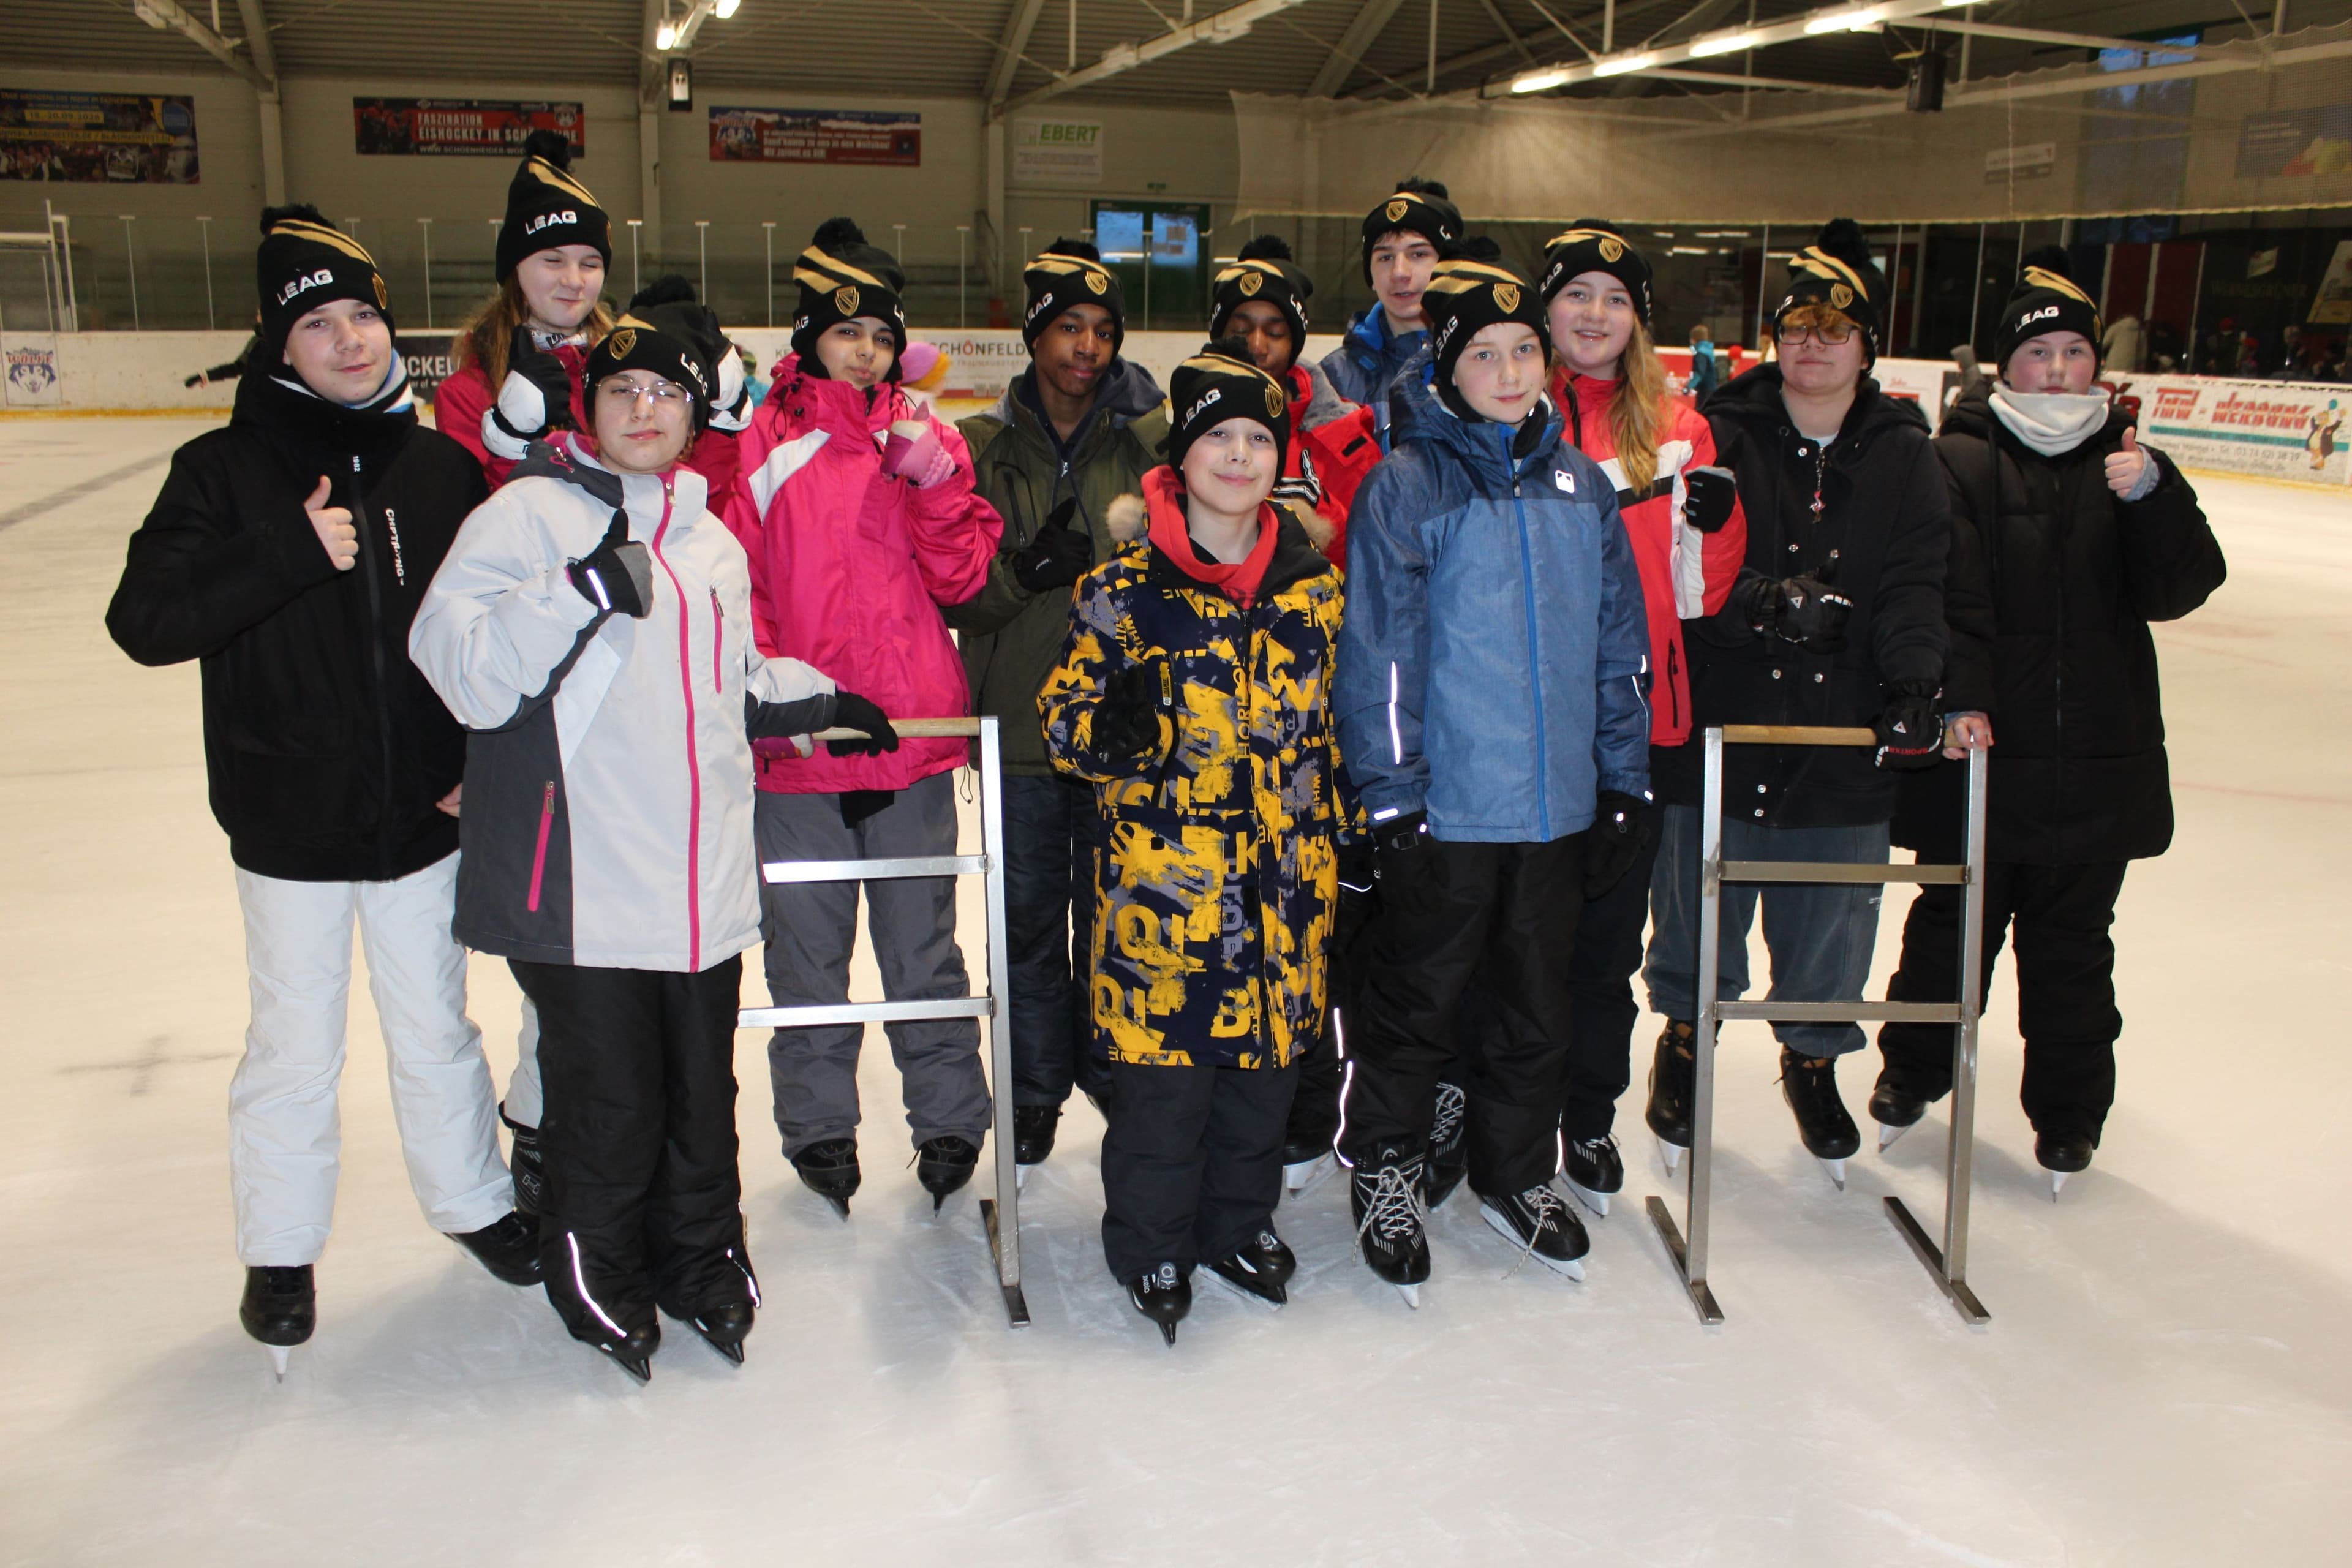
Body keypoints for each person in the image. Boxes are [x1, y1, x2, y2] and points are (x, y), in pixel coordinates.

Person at [410, 295, 880, 1381]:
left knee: (698, 1095)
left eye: (666, 391)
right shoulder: (529, 518)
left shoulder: (707, 537)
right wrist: (573, 593)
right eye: (623, 389)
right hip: (581, 879)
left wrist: (823, 699)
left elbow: (728, 683)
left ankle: (702, 1261)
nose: (645, 409)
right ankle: (600, 1274)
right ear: (591, 404)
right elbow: (457, 666)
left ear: (691, 412)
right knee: (612, 1100)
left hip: (699, 884)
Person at [106, 208, 537, 1373]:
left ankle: (474, 1206)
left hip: (420, 818)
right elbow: (143, 623)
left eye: (363, 314)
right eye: (317, 321)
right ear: (275, 339)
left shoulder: (439, 469)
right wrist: (290, 549)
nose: (349, 340)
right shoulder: (222, 470)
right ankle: (281, 1251)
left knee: (436, 1031)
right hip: (287, 823)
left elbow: (487, 642)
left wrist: (469, 768)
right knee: (294, 1046)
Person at [1333, 257, 1653, 1301]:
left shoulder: (1582, 487)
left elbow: (1617, 645)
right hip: (1451, 809)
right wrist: (1392, 797)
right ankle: (1386, 1164)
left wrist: (1620, 779)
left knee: (1534, 1004)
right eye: (1486, 354)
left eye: (1525, 351)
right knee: (1416, 1001)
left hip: (1556, 808)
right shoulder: (1408, 485)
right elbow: (1380, 656)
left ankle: (1518, 1170)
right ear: (1448, 368)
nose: (1511, 371)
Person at [1874, 250, 2225, 1195]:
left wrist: (2153, 496)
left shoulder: (2130, 469)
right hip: (1982, 758)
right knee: (1951, 929)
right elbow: (1950, 598)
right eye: (2042, 355)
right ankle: (1912, 1071)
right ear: (2006, 367)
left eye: (2076, 352)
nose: (2061, 371)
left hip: (2095, 761)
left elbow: (2182, 588)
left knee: (2074, 953)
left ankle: (2069, 1115)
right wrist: (1961, 700)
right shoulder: (1956, 459)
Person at [1038, 342, 1348, 1343]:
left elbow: (1332, 733)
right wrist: (1107, 728)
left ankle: (1236, 1226)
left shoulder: (1315, 593)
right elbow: (1062, 722)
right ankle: (1153, 1241)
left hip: (1284, 894)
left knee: (1261, 1085)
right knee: (1166, 1099)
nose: (1242, 455)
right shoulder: (1125, 592)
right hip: (1168, 902)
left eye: (1260, 438)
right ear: (1183, 456)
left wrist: (1349, 827)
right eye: (1221, 436)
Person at [1642, 219, 1951, 1185]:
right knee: (1697, 902)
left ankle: (1812, 1058)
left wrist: (1911, 684)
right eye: (1797, 327)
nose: (1814, 344)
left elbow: (1914, 579)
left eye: (1836, 327)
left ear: (1868, 345)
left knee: (1832, 914)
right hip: (1726, 718)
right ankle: (1688, 1041)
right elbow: (1683, 569)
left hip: (1839, 727)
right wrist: (1758, 605)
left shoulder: (1905, 455)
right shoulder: (1721, 433)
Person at [726, 218, 1002, 1216]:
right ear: (808, 337)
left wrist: (934, 484)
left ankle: (949, 1122)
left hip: (915, 741)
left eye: (882, 337)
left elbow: (965, 576)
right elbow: (741, 585)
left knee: (924, 949)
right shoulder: (764, 444)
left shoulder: (924, 439)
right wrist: (776, 697)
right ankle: (819, 1131)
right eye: (847, 335)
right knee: (806, 956)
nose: (866, 353)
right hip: (804, 748)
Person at [1533, 222, 1746, 1213]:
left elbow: (1700, 593)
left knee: (1606, 945)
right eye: (1577, 293)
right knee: (1518, 936)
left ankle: (1587, 1113)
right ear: (1546, 309)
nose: (1594, 314)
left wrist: (1720, 522)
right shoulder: (1505, 405)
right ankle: (1508, 1112)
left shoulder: (1677, 426)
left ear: (1638, 320)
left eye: (1615, 299)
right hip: (1521, 725)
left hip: (1639, 725)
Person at [946, 241, 1170, 1180]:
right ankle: (1036, 1091)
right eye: (1070, 326)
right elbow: (952, 592)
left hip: (1122, 732)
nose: (1087, 345)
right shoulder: (978, 447)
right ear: (1034, 333)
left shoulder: (1149, 445)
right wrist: (1018, 578)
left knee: (1124, 923)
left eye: (1104, 330)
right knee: (1030, 924)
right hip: (1021, 735)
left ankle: (1118, 1082)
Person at [1207, 235, 1360, 556]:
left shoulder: (1347, 443)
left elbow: (1365, 560)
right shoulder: (1175, 433)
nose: (1257, 347)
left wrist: (1323, 516)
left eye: (1275, 333)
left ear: (1295, 344)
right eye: (1240, 331)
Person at [1317, 179, 1463, 409]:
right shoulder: (1334, 378)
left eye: (1418, 255)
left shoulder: (1480, 362)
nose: (1399, 273)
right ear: (1371, 277)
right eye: (1385, 258)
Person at [1685, 323, 1720, 403]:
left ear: (1694, 339)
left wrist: (1688, 387)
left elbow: (1699, 373)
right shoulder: (1708, 350)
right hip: (1711, 388)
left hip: (1705, 390)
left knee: (1700, 412)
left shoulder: (1701, 353)